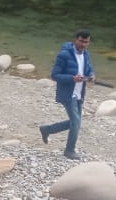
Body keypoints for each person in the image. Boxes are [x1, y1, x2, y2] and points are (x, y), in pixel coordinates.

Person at [39, 30, 95, 161]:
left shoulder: (86, 54)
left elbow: (88, 69)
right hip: (68, 93)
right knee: (76, 123)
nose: (83, 44)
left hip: (80, 93)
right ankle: (69, 150)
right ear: (76, 40)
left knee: (76, 122)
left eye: (86, 42)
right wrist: (72, 78)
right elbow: (55, 75)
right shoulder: (64, 55)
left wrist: (92, 75)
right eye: (81, 41)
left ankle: (47, 130)